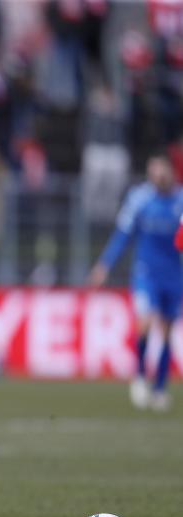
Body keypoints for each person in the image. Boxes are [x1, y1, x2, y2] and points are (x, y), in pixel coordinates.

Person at [94, 155, 183, 412]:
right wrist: (104, 265)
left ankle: (160, 389)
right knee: (144, 323)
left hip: (173, 275)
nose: (159, 177)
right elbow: (123, 235)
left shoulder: (180, 200)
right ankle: (141, 376)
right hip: (146, 272)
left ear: (170, 173)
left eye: (162, 172)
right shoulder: (139, 199)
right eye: (153, 173)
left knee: (166, 331)